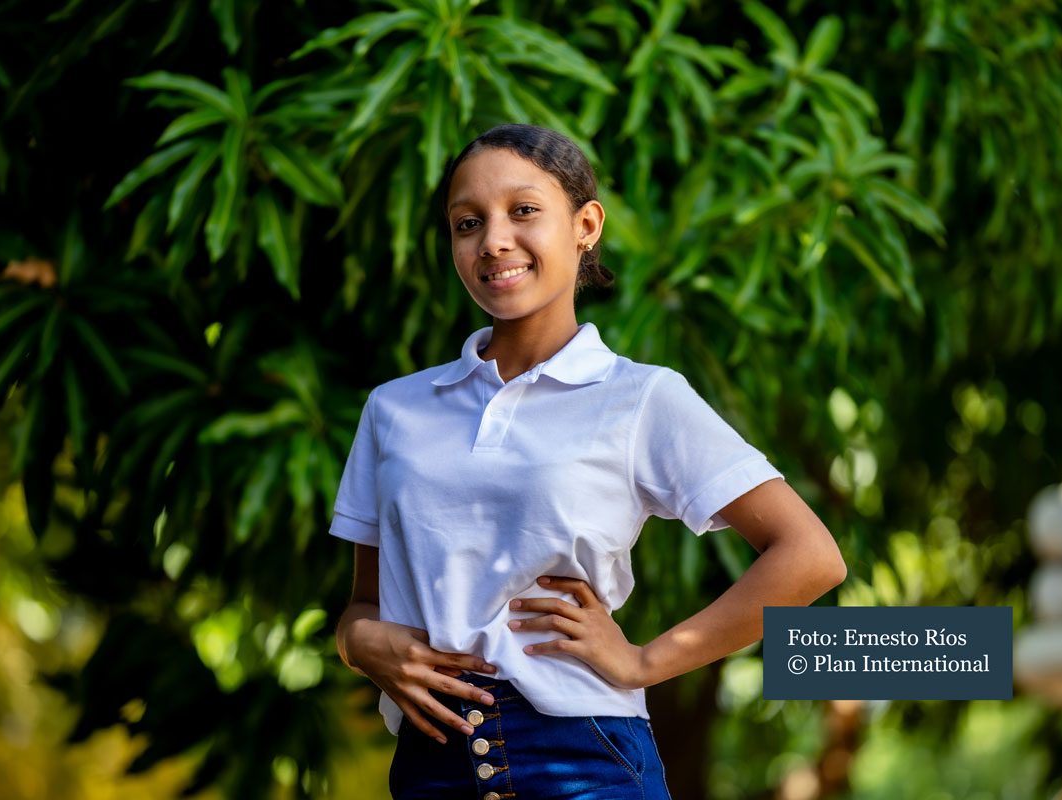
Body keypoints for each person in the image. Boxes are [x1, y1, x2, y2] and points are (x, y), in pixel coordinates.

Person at [329, 123, 847, 799]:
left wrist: (644, 661)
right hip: (431, 765)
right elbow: (363, 607)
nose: (493, 241)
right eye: (467, 222)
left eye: (523, 211)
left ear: (585, 225)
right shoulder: (394, 410)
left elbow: (810, 555)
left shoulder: (640, 398)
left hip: (583, 753)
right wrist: (357, 643)